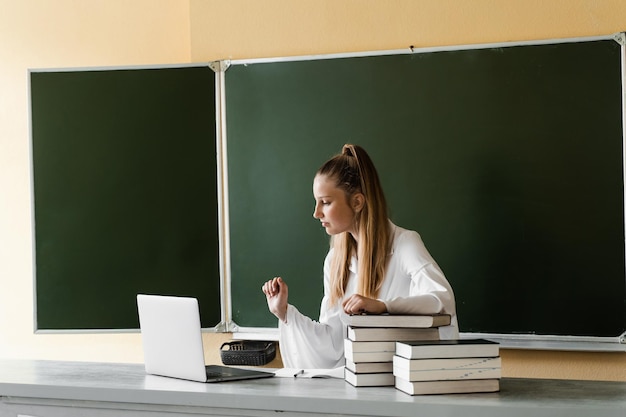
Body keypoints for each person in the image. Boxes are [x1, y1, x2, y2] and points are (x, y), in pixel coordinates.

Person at [262, 144, 458, 369]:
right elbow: (333, 344)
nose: (316, 213)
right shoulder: (335, 260)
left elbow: (442, 300)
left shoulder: (405, 244)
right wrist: (284, 312)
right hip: (359, 387)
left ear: (357, 202)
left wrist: (384, 306)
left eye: (326, 202)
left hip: (402, 382)